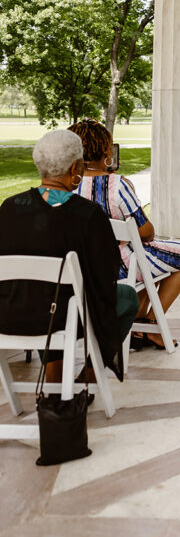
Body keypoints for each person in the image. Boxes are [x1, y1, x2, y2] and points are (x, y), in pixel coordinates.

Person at [0, 130, 138, 383]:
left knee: (43, 295)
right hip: (64, 316)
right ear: (75, 168)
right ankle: (88, 376)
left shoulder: (9, 209)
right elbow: (106, 273)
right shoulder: (88, 215)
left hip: (9, 313)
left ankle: (54, 374)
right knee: (126, 297)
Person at [69, 119, 180, 350]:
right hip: (119, 267)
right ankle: (151, 323)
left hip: (79, 266)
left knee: (143, 256)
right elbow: (146, 232)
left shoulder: (65, 185)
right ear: (106, 151)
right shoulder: (117, 185)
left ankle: (135, 327)